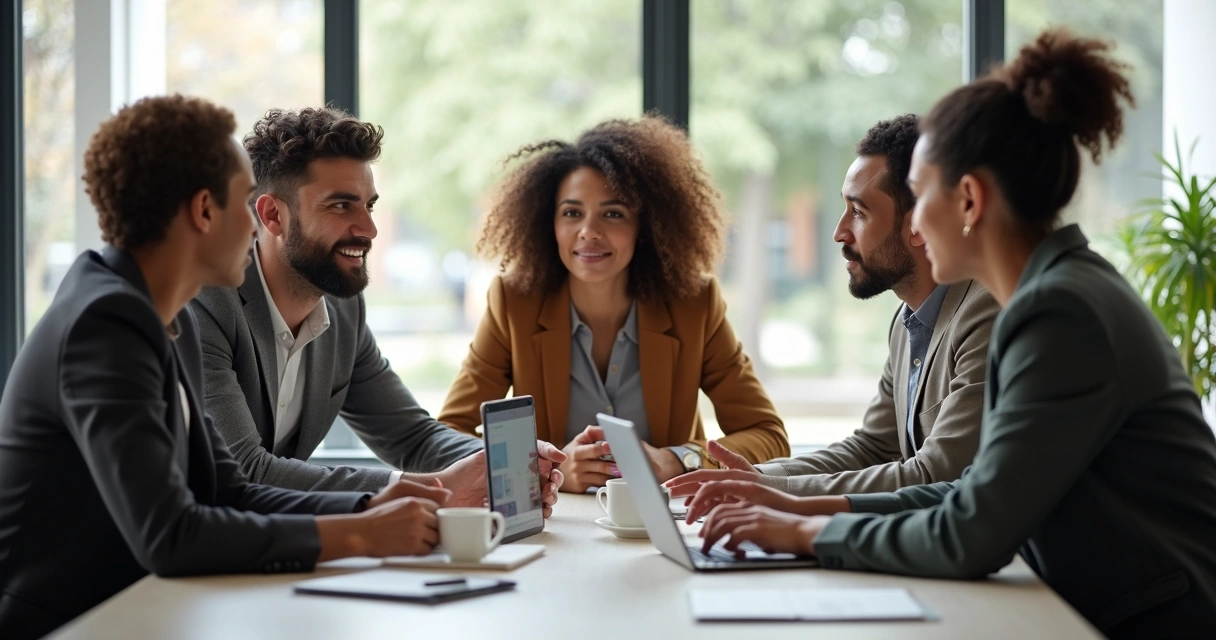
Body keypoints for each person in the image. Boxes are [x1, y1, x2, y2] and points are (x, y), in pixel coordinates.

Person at [684, 30, 1216, 637]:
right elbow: (969, 491)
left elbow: (972, 531)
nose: (915, 223)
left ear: (967, 200)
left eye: (922, 190)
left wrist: (805, 530)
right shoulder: (1054, 295)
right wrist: (797, 504)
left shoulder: (1061, 313)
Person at [0, 96, 468, 640]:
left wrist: (370, 505)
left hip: (146, 608)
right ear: (204, 211)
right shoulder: (106, 322)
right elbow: (171, 534)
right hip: (68, 622)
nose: (255, 225)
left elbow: (228, 488)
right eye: (245, 202)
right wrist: (360, 535)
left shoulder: (162, 317)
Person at [190, 107, 564, 509]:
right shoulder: (207, 303)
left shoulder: (344, 313)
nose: (368, 229)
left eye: (368, 206)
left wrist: (507, 463)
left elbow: (413, 436)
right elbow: (244, 470)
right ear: (273, 215)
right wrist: (428, 488)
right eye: (340, 206)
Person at [438, 116, 790, 492]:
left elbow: (768, 435)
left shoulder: (695, 305)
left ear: (645, 227)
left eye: (613, 213)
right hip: (557, 524)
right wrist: (544, 469)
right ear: (549, 225)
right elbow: (449, 436)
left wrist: (677, 459)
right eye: (572, 213)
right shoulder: (513, 303)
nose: (589, 231)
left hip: (660, 524)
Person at [665, 114, 998, 499]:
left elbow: (940, 472)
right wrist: (750, 476)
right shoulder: (907, 321)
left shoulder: (984, 312)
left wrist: (768, 487)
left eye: (858, 212)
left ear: (918, 225)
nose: (839, 231)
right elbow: (873, 449)